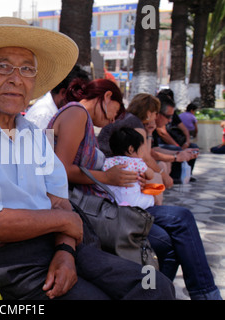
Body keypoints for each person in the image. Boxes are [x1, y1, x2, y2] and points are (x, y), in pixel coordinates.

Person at [0, 16, 175, 300]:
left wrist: (65, 250)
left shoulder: (33, 134)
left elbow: (61, 202)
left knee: (155, 287)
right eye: (2, 66)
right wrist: (64, 222)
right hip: (2, 259)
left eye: (26, 69)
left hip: (55, 243)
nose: (15, 78)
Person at [57, 91, 221, 300]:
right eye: (156, 114)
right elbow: (146, 161)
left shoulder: (122, 129)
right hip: (113, 210)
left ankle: (172, 292)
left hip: (115, 206)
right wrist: (160, 176)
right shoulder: (93, 118)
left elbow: (146, 157)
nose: (111, 120)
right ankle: (198, 294)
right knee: (179, 223)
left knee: (177, 227)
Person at [103, 127, 155, 209]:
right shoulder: (137, 163)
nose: (143, 152)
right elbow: (150, 175)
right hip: (134, 203)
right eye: (142, 148)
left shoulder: (107, 162)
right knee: (151, 198)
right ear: (131, 149)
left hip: (114, 203)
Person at [24, 65, 89, 129]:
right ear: (63, 93)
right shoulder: (44, 116)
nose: (77, 108)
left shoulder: (52, 113)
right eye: (76, 101)